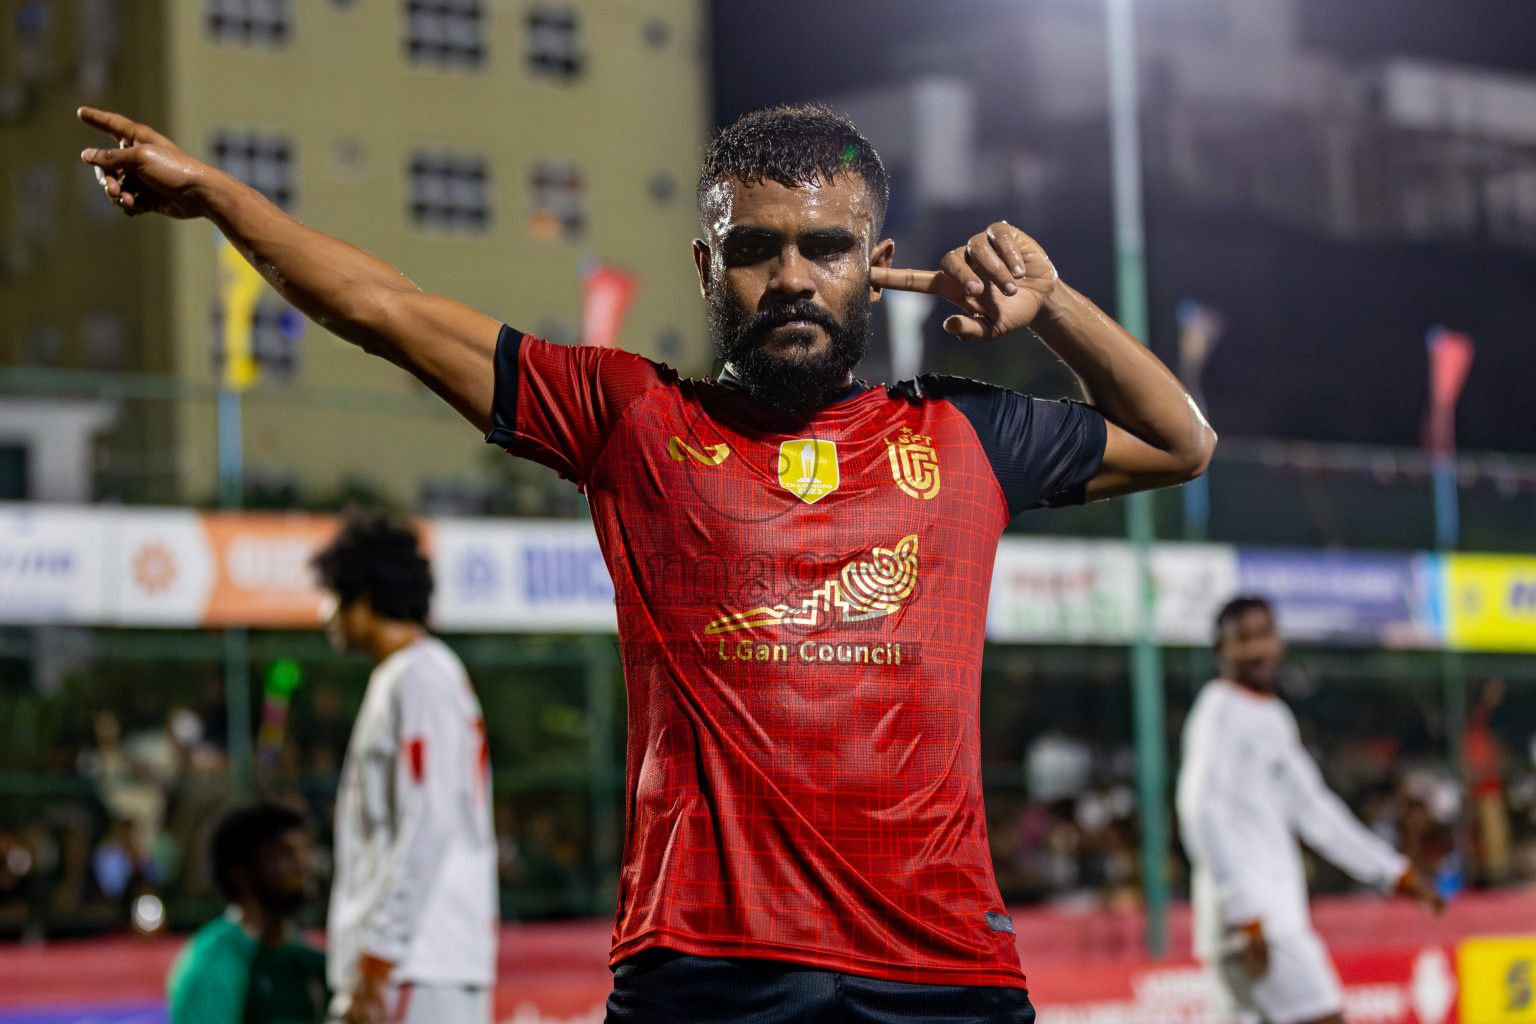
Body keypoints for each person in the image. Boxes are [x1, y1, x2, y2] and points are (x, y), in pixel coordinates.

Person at [80, 101, 1215, 1023]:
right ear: (707, 265)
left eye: (825, 247)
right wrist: (221, 197)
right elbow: (386, 308)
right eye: (755, 249)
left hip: (943, 972)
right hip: (704, 972)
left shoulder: (964, 433)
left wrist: (1052, 303)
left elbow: (1181, 439)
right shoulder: (630, 416)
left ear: (878, 266)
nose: (791, 278)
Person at [1176, 596, 1443, 1024]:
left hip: (1251, 923)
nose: (1257, 648)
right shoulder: (1219, 711)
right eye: (1242, 639)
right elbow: (1199, 810)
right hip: (1259, 921)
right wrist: (1246, 914)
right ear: (1221, 651)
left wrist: (1392, 871)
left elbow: (1316, 811)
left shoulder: (1272, 715)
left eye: (1264, 635)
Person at [310, 512, 496, 1024]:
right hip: (408, 962)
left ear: (365, 599)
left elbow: (428, 821)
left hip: (415, 963)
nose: (325, 614)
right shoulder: (405, 676)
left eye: (334, 596)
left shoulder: (420, 678)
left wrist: (377, 963)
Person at [166, 803, 328, 1024]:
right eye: (284, 853)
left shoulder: (311, 962)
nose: (302, 865)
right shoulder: (213, 967)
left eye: (304, 850)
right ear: (240, 872)